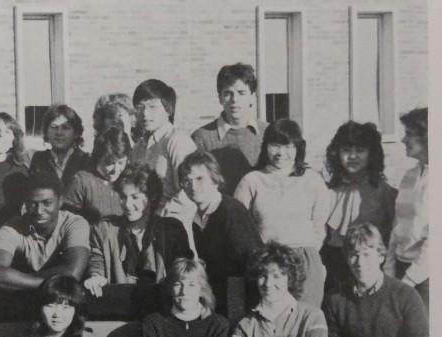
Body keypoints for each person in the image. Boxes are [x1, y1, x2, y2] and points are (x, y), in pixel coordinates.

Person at [234, 119, 330, 307]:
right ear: (265, 147)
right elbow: (240, 228)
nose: (281, 153)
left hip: (304, 262)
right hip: (266, 263)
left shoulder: (312, 180)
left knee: (303, 319)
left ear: (298, 148)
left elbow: (319, 226)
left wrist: (307, 256)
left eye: (288, 146)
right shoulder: (252, 181)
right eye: (275, 145)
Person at [84, 164, 192, 297]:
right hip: (119, 304)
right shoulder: (104, 229)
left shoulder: (171, 229)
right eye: (123, 197)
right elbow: (96, 260)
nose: (127, 204)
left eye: (135, 197)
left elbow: (184, 270)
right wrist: (95, 276)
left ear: (151, 197)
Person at [176, 151, 262, 316]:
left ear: (215, 180)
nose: (193, 186)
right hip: (218, 297)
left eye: (200, 178)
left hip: (238, 299)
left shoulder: (230, 211)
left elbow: (249, 264)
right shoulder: (197, 217)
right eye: (187, 181)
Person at [0, 171, 90, 292]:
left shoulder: (74, 223)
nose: (39, 211)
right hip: (33, 296)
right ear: (26, 203)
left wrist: (18, 278)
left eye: (47, 203)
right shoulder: (11, 228)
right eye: (33, 204)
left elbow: (73, 272)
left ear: (60, 201)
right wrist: (49, 284)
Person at [322, 121, 397, 294]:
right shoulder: (327, 190)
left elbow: (392, 235)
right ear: (337, 153)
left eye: (360, 151)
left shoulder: (385, 192)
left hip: (368, 264)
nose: (353, 157)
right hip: (333, 263)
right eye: (346, 150)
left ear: (371, 155)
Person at [191, 63, 268, 195]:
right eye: (228, 93)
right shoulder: (202, 137)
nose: (235, 100)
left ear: (252, 97)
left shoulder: (268, 132)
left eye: (241, 93)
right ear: (220, 98)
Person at [384, 107, 429, 308]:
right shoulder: (409, 176)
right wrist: (390, 271)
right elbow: (397, 226)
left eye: (409, 135)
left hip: (426, 278)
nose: (403, 140)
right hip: (401, 272)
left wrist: (409, 281)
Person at [130, 79, 197, 210]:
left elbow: (188, 192)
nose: (144, 113)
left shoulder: (177, 141)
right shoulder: (138, 147)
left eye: (152, 107)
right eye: (140, 107)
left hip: (172, 221)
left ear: (168, 110)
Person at [62, 126, 128, 223]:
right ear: (98, 158)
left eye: (121, 163)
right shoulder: (81, 182)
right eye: (109, 163)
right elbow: (66, 223)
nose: (116, 170)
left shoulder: (126, 181)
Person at [29, 104, 92, 188]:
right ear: (46, 132)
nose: (59, 133)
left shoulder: (86, 161)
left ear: (76, 133)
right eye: (54, 127)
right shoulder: (39, 160)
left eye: (65, 128)